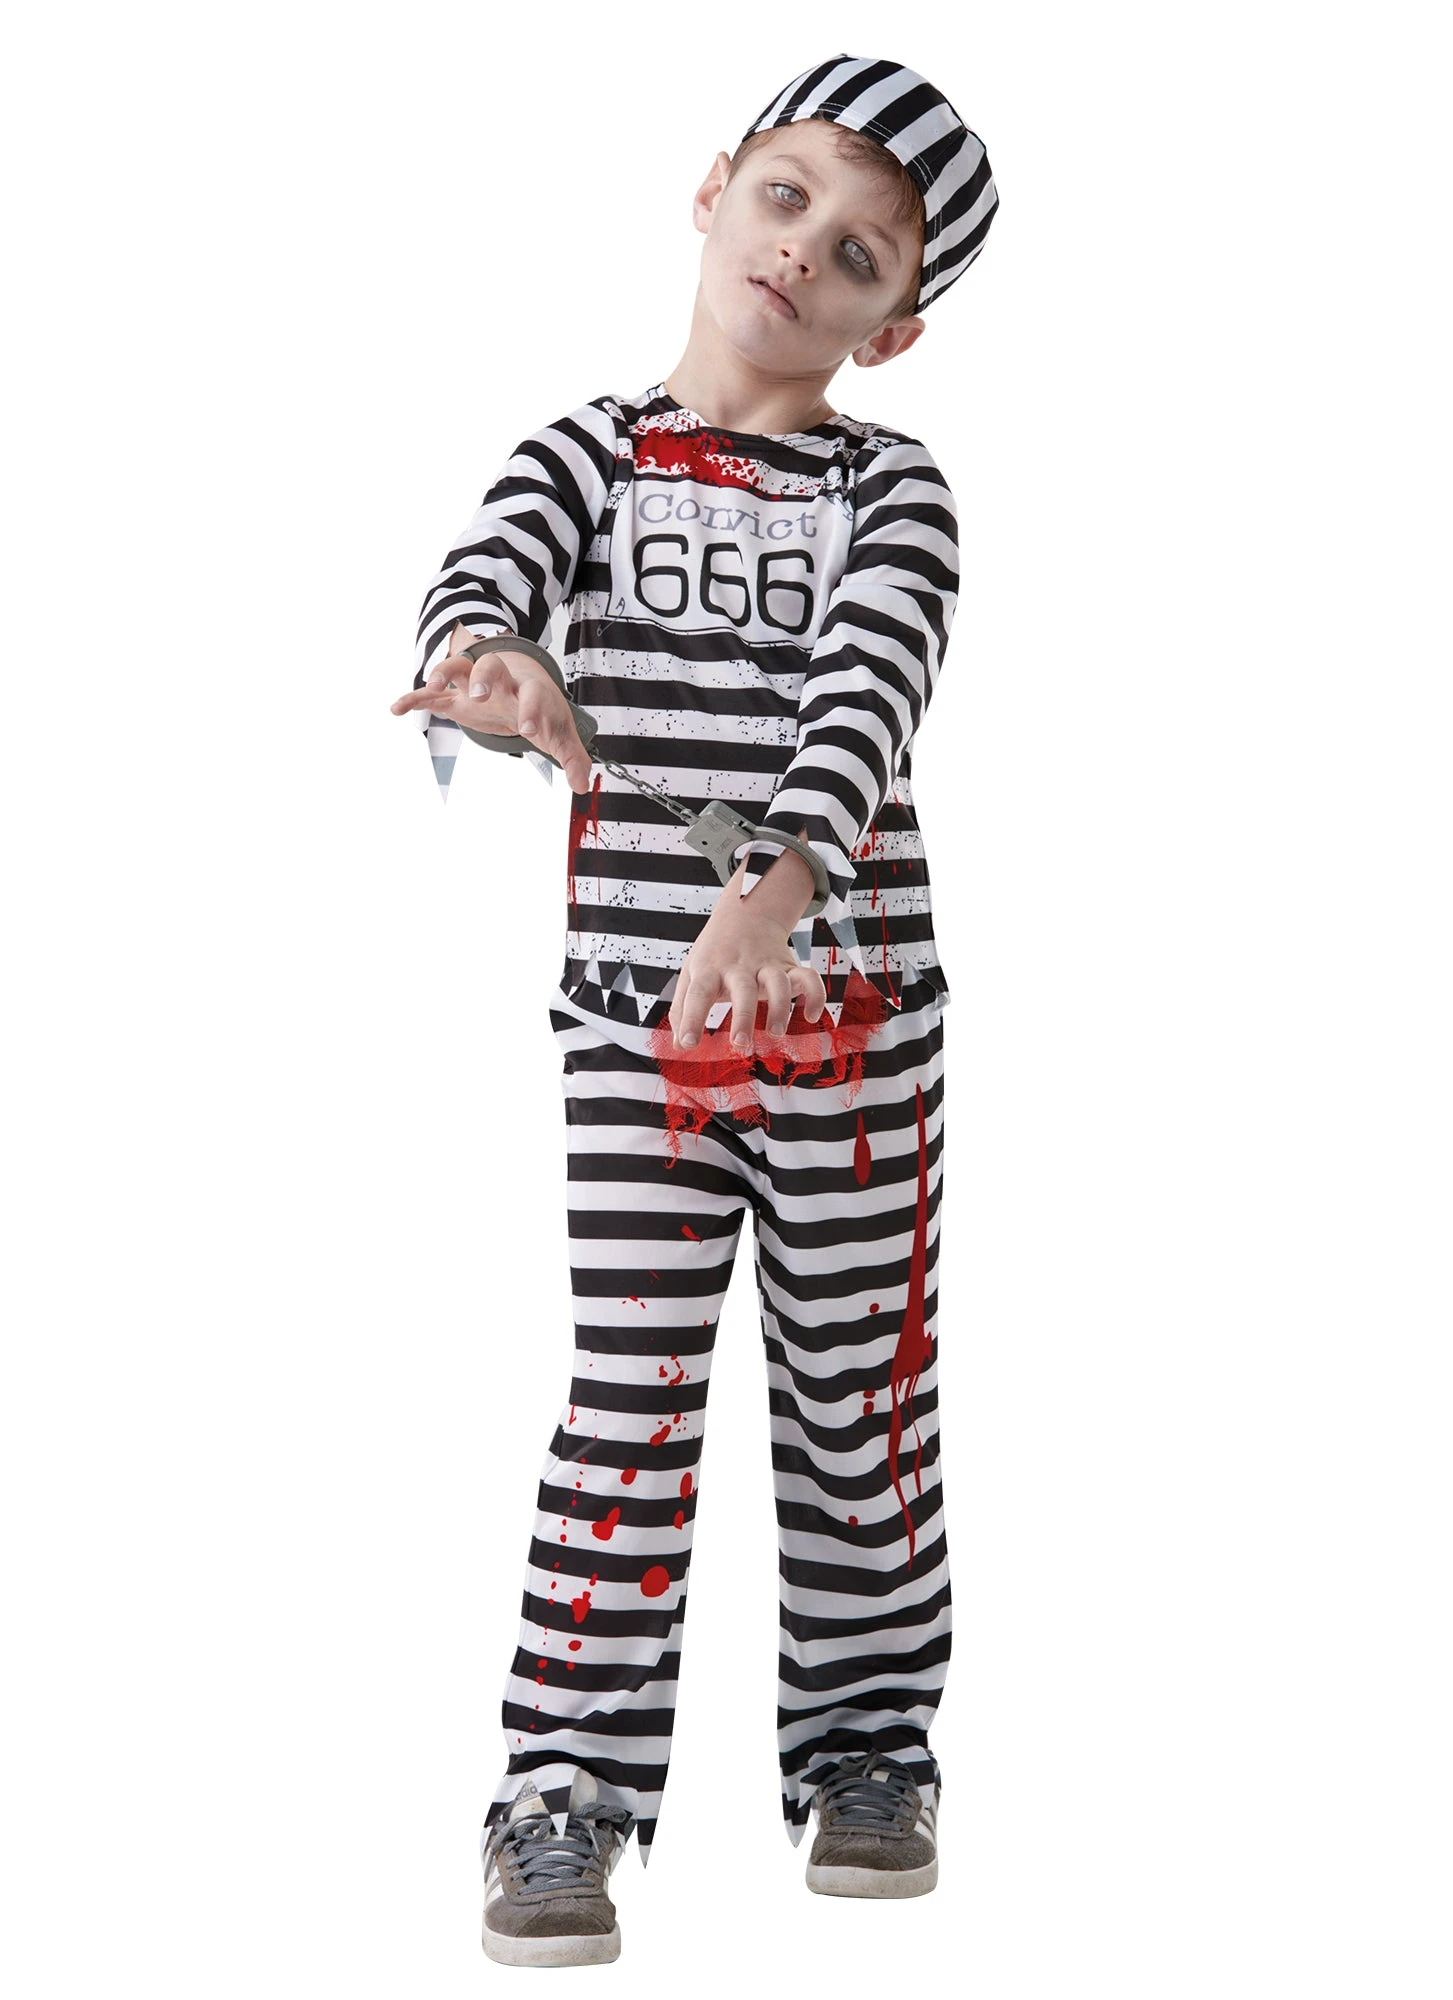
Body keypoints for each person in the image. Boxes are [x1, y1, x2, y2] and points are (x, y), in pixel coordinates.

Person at [390, 52, 996, 1970]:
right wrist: (488, 667)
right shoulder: (583, 454)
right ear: (718, 182)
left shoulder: (896, 492)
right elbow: (481, 583)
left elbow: (866, 699)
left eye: (863, 254)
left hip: (854, 1033)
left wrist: (774, 891)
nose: (805, 251)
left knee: (857, 1403)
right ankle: (563, 1785)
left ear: (893, 329)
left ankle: (870, 1743)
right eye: (790, 197)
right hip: (635, 1040)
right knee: (627, 1403)